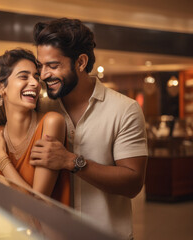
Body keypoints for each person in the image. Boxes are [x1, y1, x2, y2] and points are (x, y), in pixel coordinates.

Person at [29, 18, 148, 239]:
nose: (44, 75)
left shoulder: (125, 109)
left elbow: (133, 183)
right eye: (41, 66)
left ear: (81, 62)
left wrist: (71, 161)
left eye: (53, 66)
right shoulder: (40, 108)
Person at [0, 48, 70, 205]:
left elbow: (37, 204)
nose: (35, 83)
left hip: (48, 229)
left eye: (36, 77)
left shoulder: (51, 123)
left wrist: (2, 159)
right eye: (23, 77)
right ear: (0, 88)